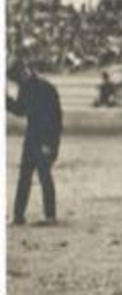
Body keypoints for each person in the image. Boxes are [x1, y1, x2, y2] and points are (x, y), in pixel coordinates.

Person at [7, 60, 62, 226]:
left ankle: (46, 216)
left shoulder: (43, 88)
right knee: (28, 176)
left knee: (40, 176)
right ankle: (20, 215)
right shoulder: (40, 87)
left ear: (23, 73)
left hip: (41, 138)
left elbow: (53, 119)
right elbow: (21, 110)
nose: (17, 82)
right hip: (34, 138)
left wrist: (50, 144)